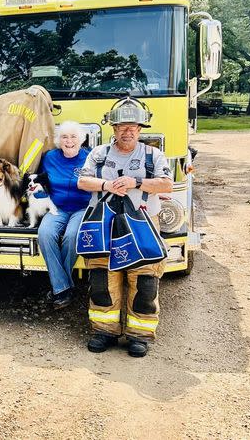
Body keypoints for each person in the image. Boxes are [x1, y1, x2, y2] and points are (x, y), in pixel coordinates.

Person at [77, 97, 173, 358]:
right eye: (122, 126)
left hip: (142, 225)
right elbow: (83, 182)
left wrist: (136, 182)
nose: (128, 131)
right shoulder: (98, 155)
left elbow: (166, 185)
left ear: (141, 129)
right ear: (113, 128)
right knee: (101, 281)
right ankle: (103, 331)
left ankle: (139, 336)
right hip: (104, 224)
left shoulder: (153, 155)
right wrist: (107, 185)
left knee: (144, 283)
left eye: (133, 126)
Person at [37, 121, 91, 309]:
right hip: (56, 207)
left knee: (72, 236)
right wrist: (39, 194)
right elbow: (40, 182)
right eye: (64, 137)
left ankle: (60, 288)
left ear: (81, 139)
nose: (69, 141)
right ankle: (64, 287)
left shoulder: (90, 157)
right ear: (58, 140)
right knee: (45, 234)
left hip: (82, 207)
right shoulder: (49, 157)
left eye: (73, 136)